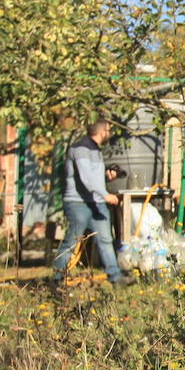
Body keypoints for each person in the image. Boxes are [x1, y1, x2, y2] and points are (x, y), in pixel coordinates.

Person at [52, 119, 132, 285]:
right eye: (108, 130)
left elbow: (92, 177)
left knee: (105, 239)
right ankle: (57, 278)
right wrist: (105, 194)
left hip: (96, 202)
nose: (109, 133)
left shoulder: (95, 150)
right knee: (72, 241)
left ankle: (115, 277)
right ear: (102, 131)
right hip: (78, 203)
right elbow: (86, 177)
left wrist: (106, 176)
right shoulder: (80, 149)